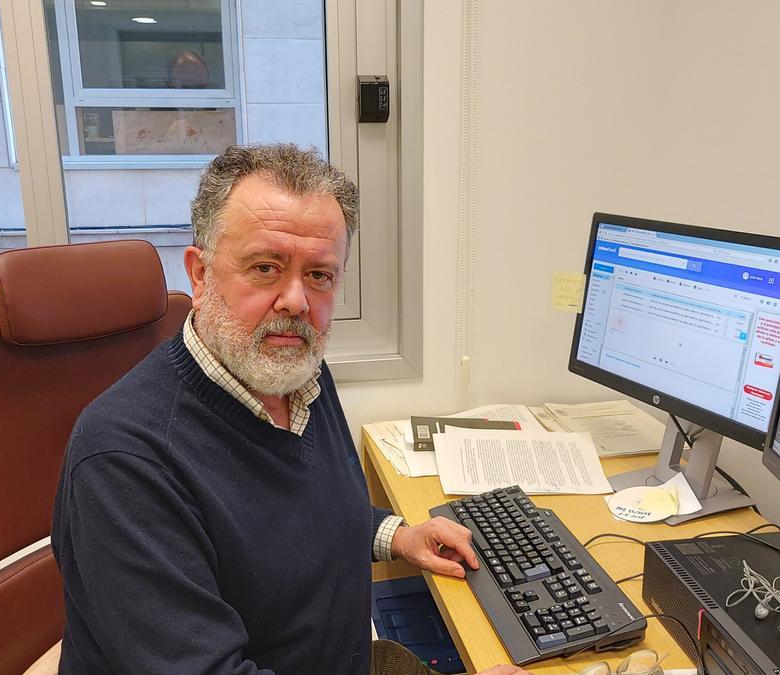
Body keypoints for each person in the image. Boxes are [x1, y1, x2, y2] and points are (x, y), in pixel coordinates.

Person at [52, 143, 531, 675]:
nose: (296, 302)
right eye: (265, 267)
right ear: (200, 274)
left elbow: (296, 515)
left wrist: (396, 535)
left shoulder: (297, 373)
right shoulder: (125, 460)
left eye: (320, 275)